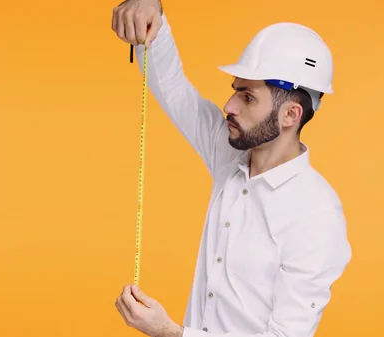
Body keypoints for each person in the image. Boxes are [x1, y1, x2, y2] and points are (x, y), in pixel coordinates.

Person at [111, 1, 352, 336]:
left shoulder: (316, 215)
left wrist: (168, 332)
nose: (229, 106)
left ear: (291, 116)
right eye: (234, 91)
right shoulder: (230, 152)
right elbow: (174, 89)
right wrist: (153, 19)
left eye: (247, 97)